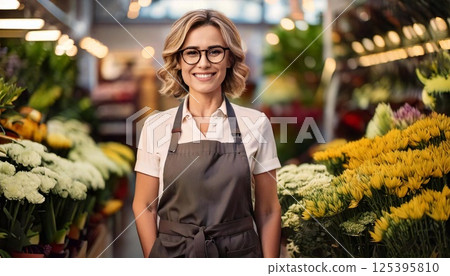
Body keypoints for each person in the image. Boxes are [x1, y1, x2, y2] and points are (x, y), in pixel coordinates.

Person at [133, 9, 281, 258]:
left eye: (214, 51)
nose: (203, 63)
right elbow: (145, 206)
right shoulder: (155, 127)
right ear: (178, 61)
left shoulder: (256, 124)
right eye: (191, 53)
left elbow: (268, 210)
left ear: (230, 59)